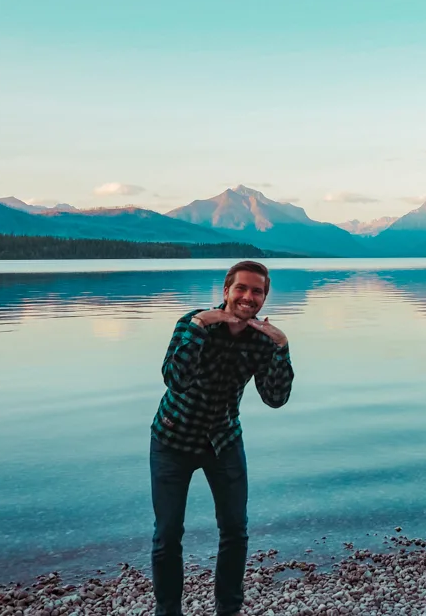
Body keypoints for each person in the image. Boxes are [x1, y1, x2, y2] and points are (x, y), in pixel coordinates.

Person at [149, 260, 294, 616]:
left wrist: (281, 346)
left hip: (224, 441)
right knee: (168, 534)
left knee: (234, 531)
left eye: (256, 291)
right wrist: (200, 326)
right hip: (172, 440)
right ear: (226, 290)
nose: (248, 297)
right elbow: (175, 378)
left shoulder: (262, 339)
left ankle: (228, 609)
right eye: (241, 288)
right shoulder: (191, 323)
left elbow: (275, 398)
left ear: (264, 297)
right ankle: (167, 612)